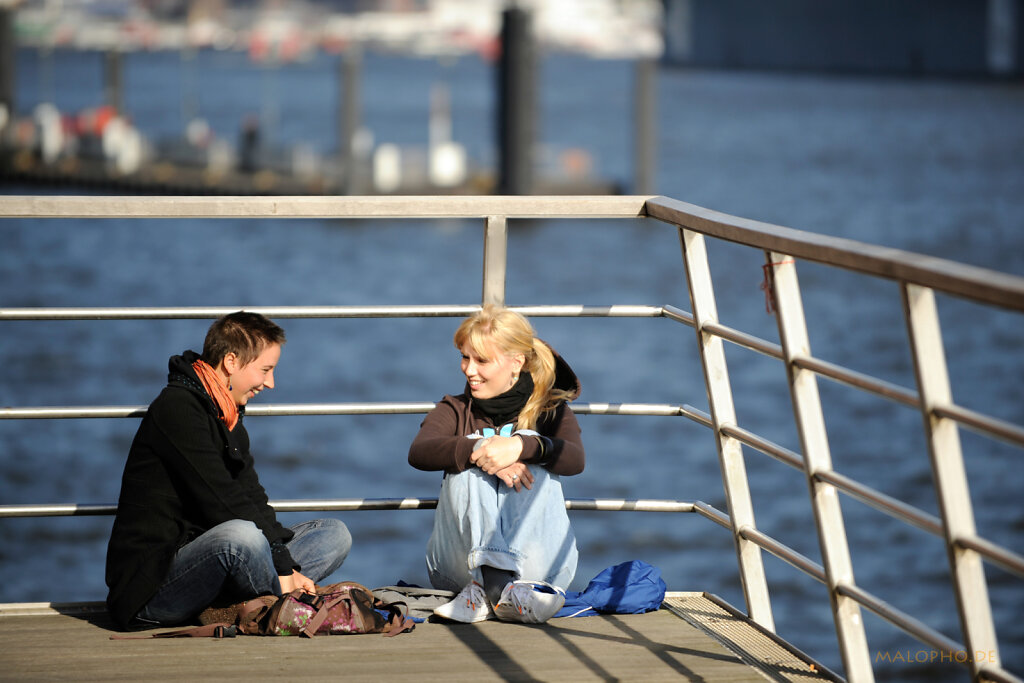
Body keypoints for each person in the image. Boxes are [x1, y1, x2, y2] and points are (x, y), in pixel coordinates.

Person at [105, 311, 351, 629]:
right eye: (265, 369)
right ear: (232, 362)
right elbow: (222, 504)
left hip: (216, 564)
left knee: (333, 534)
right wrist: (284, 570)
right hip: (154, 590)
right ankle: (279, 600)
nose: (271, 383)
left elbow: (251, 497)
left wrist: (282, 559)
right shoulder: (178, 410)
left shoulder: (228, 414)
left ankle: (246, 602)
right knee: (241, 536)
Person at [408, 305, 585, 624]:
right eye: (465, 357)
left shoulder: (550, 410)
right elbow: (419, 452)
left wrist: (520, 446)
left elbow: (575, 459)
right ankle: (496, 587)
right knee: (469, 461)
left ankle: (495, 589)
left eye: (481, 360)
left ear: (516, 362)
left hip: (539, 567)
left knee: (535, 442)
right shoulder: (455, 409)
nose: (468, 370)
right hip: (459, 571)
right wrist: (483, 451)